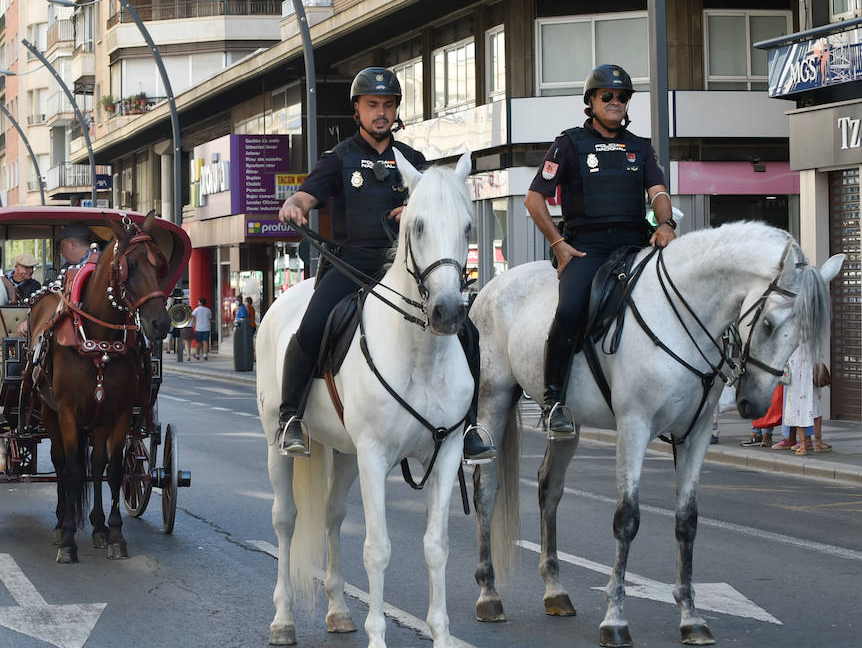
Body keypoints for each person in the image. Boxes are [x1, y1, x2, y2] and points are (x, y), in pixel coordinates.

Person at [275, 66, 495, 461]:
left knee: (468, 334)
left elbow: (433, 208)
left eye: (388, 105)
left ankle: (469, 426)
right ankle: (290, 416)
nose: (381, 112)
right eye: (373, 104)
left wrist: (412, 211)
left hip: (406, 272)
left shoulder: (414, 160)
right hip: (350, 266)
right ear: (357, 110)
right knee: (311, 327)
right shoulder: (338, 158)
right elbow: (305, 198)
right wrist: (293, 206)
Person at [524, 63, 676, 435]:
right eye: (607, 95)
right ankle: (554, 400)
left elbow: (658, 192)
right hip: (587, 248)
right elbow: (534, 199)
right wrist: (559, 245)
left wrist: (666, 224)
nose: (615, 101)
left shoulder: (640, 147)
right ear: (591, 101)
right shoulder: (569, 143)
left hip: (634, 244)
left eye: (622, 96)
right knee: (570, 309)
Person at [190, 296, 212, 361]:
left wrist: (193, 323)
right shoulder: (208, 310)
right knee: (205, 342)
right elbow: (210, 318)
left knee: (198, 342)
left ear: (201, 303)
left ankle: (197, 354)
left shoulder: (197, 309)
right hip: (207, 328)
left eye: (198, 302)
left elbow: (192, 315)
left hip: (199, 328)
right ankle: (205, 354)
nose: (198, 303)